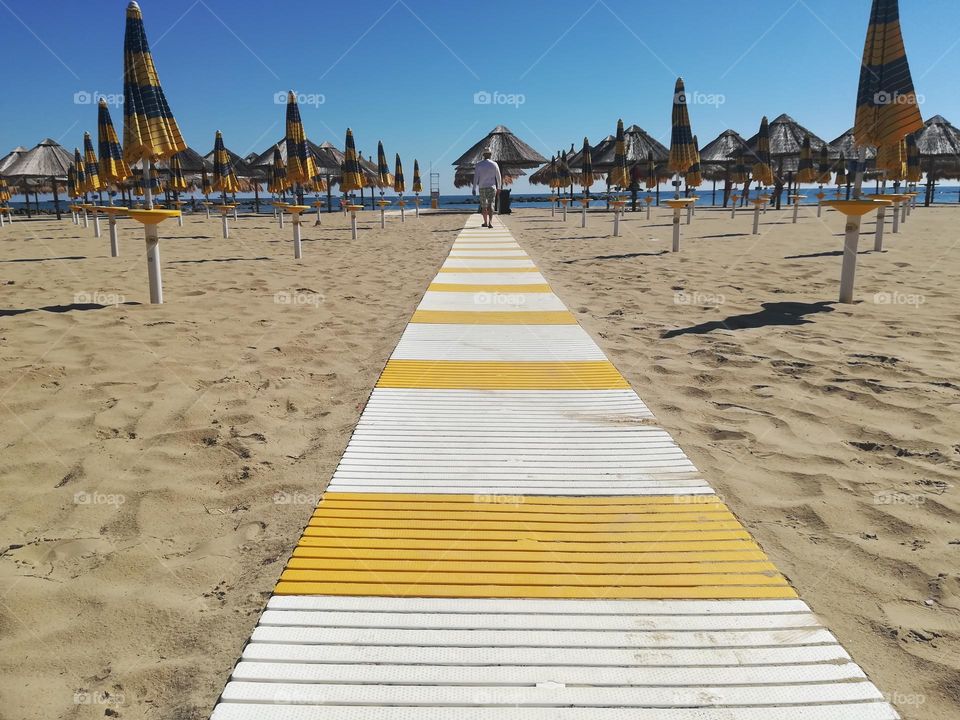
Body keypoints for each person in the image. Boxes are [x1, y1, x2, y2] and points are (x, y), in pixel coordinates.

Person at [472, 149, 502, 228]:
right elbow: (498, 177)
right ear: (490, 154)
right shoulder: (494, 164)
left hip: (482, 187)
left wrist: (474, 188)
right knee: (491, 204)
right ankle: (490, 222)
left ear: (483, 155)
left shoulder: (478, 164)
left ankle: (485, 222)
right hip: (492, 187)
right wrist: (499, 187)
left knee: (484, 206)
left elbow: (476, 177)